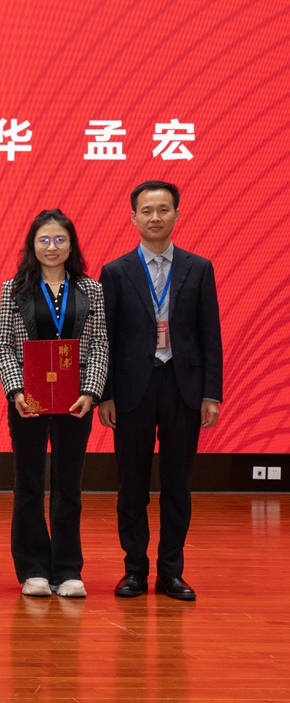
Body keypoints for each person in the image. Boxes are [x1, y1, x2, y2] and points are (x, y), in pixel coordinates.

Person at [99, 181, 222, 602]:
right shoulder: (115, 272)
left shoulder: (198, 268)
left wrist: (211, 392)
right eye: (147, 210)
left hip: (182, 386)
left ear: (177, 214)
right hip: (131, 389)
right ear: (133, 217)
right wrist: (105, 394)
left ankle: (171, 572)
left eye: (163, 210)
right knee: (131, 485)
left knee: (177, 484)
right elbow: (105, 339)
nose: (155, 217)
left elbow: (210, 335)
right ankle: (134, 570)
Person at [0, 209, 108, 598]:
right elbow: (4, 345)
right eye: (44, 240)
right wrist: (16, 391)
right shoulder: (14, 288)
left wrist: (90, 391)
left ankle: (68, 569)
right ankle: (34, 569)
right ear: (32, 245)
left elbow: (99, 344)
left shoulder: (91, 290)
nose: (52, 247)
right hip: (28, 400)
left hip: (75, 399)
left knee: (68, 485)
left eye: (60, 239)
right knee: (28, 484)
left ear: (71, 245)